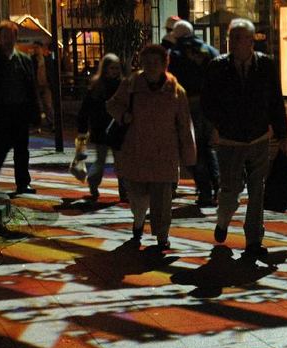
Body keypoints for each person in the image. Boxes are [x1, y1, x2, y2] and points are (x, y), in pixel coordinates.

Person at [201, 18, 287, 260]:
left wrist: (282, 133)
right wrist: (218, 126)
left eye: (236, 39)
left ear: (250, 42)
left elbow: (275, 101)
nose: (230, 44)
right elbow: (207, 103)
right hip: (229, 140)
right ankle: (223, 219)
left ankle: (254, 239)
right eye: (230, 38)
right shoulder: (217, 66)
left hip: (259, 136)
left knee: (257, 190)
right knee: (230, 189)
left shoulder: (266, 66)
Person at [106, 44, 195, 250]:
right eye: (147, 62)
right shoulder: (131, 84)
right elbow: (111, 104)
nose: (152, 67)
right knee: (137, 198)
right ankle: (138, 221)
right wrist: (123, 115)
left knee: (163, 202)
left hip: (165, 154)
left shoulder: (176, 91)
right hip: (135, 150)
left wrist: (189, 155)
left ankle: (162, 237)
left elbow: (184, 123)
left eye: (156, 62)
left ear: (165, 64)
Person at [0, 21, 40, 194]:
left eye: (11, 36)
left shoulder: (24, 60)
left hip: (20, 110)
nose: (8, 40)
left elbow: (31, 87)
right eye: (5, 36)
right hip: (1, 110)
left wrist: (36, 113)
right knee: (0, 146)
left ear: (15, 38)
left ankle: (22, 183)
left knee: (21, 148)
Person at [168, 25, 220, 209]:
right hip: (210, 102)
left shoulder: (176, 53)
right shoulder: (208, 49)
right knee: (208, 146)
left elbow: (169, 79)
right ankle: (218, 187)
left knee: (193, 148)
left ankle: (205, 191)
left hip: (189, 103)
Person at [76, 53, 127, 202]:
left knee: (120, 161)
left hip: (116, 128)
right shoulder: (99, 87)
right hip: (103, 128)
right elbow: (86, 110)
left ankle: (123, 191)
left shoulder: (119, 85)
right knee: (102, 160)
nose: (115, 71)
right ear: (105, 69)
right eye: (112, 68)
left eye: (117, 68)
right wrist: (83, 129)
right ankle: (94, 184)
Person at [32, 42, 55, 130]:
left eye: (37, 48)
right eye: (34, 48)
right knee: (38, 106)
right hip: (37, 85)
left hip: (45, 85)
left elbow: (51, 72)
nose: (35, 50)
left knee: (48, 105)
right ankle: (38, 124)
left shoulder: (47, 60)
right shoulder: (32, 60)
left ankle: (51, 123)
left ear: (41, 49)